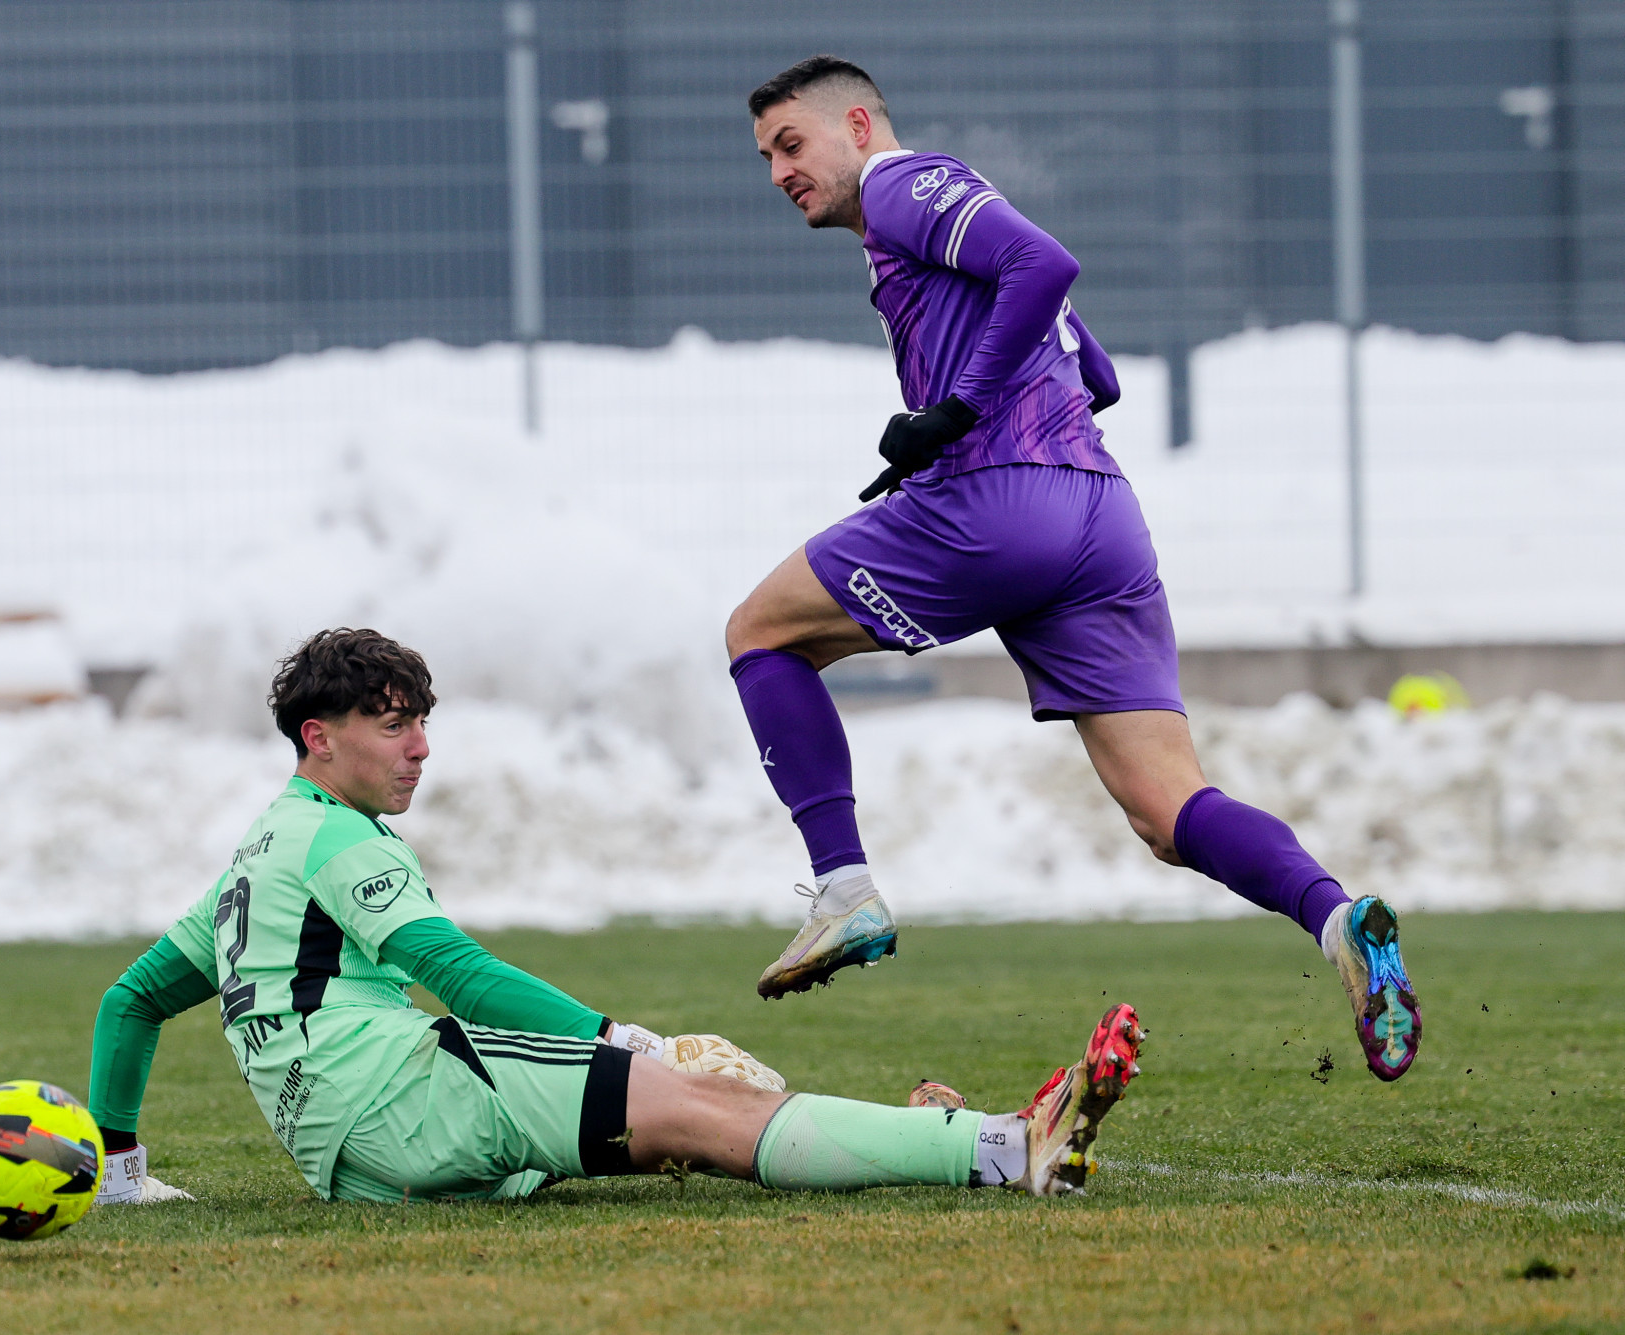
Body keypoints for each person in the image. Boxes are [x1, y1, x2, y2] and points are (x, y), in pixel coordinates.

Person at [728, 55, 1420, 1083]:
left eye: (792, 144)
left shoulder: (903, 183)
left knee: (760, 632)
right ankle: (1338, 919)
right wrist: (987, 403)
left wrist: (956, 413)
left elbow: (1044, 264)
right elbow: (1091, 368)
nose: (780, 171)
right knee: (1165, 808)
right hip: (1100, 518)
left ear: (859, 124)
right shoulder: (925, 217)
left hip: (1002, 501)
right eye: (765, 157)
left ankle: (843, 888)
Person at [85, 626, 1144, 1206]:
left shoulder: (259, 852)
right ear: (317, 736)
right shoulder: (336, 839)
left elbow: (128, 1003)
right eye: (391, 725)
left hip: (346, 1162)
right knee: (702, 1103)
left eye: (422, 724)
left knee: (675, 1118)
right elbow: (457, 975)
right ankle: (1003, 1147)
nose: (420, 748)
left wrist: (122, 1174)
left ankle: (917, 1130)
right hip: (403, 1098)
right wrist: (615, 1034)